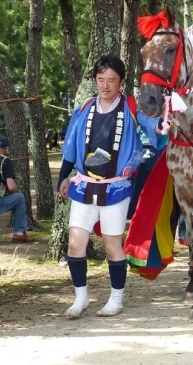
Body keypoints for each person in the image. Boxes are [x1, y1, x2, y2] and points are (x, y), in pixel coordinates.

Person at [57, 55, 160, 319]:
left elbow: (153, 131)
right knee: (75, 242)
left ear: (122, 81)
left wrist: (160, 126)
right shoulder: (84, 109)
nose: (105, 85)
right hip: (84, 184)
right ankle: (81, 297)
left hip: (115, 187)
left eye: (111, 80)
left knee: (112, 245)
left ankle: (116, 299)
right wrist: (63, 177)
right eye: (101, 79)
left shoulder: (132, 108)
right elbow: (70, 144)